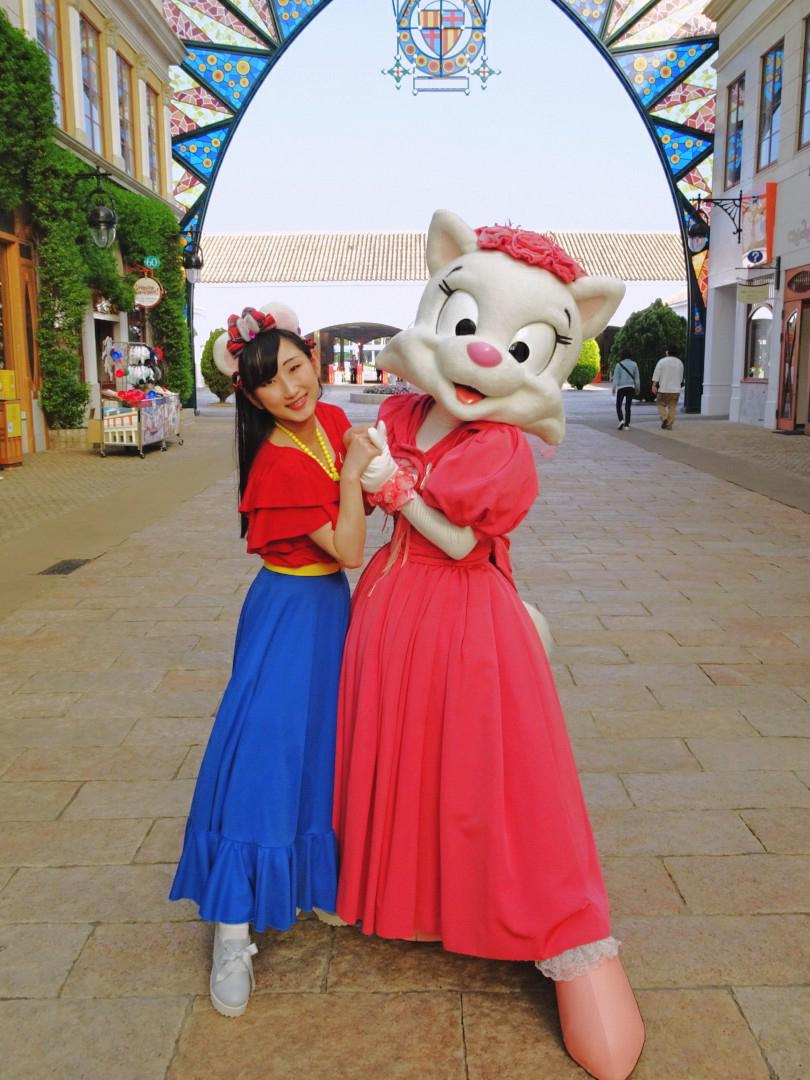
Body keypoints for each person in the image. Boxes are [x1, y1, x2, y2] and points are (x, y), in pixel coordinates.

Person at [335, 211, 644, 1080]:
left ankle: (573, 940)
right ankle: (413, 900)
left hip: (468, 615)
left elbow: (467, 544)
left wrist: (397, 491)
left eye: (518, 345)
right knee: (403, 756)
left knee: (503, 775)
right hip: (390, 607)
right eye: (469, 324)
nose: (481, 354)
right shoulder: (401, 412)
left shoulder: (502, 448)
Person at [170, 303, 378, 1018]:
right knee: (264, 753)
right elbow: (350, 548)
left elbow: (368, 471)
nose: (291, 388)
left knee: (321, 747)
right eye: (270, 381)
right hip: (288, 611)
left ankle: (313, 882)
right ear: (251, 396)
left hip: (328, 612)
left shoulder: (329, 421)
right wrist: (354, 476)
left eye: (295, 367)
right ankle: (232, 928)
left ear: (314, 360)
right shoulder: (279, 461)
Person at [652, 352, 684, 430]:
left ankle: (664, 418)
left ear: (668, 352)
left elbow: (656, 374)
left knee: (660, 404)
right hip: (675, 390)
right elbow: (681, 378)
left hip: (663, 389)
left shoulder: (662, 361)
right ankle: (669, 424)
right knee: (672, 407)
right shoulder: (680, 363)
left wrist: (654, 385)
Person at [612, 356, 640, 430]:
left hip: (621, 387)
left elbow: (615, 378)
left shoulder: (619, 365)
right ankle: (627, 425)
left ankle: (621, 420)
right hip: (631, 387)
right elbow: (637, 378)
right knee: (628, 406)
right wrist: (637, 388)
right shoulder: (634, 364)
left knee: (618, 405)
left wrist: (614, 388)